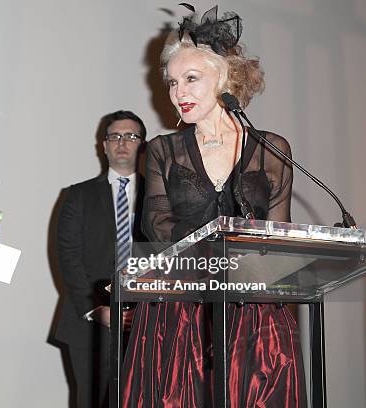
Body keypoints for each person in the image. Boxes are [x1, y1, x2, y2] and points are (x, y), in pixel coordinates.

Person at [121, 6, 306, 407]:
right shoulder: (162, 151)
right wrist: (220, 258)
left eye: (191, 79)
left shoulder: (272, 149)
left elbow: (279, 238)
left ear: (226, 79)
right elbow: (157, 227)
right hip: (180, 315)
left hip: (255, 318)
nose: (178, 93)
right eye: (172, 83)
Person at [55, 110, 147, 407]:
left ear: (142, 145)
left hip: (146, 321)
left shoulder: (160, 198)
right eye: (114, 136)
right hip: (89, 323)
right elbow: (68, 256)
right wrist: (97, 308)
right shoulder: (77, 196)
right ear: (103, 146)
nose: (122, 142)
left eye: (131, 136)